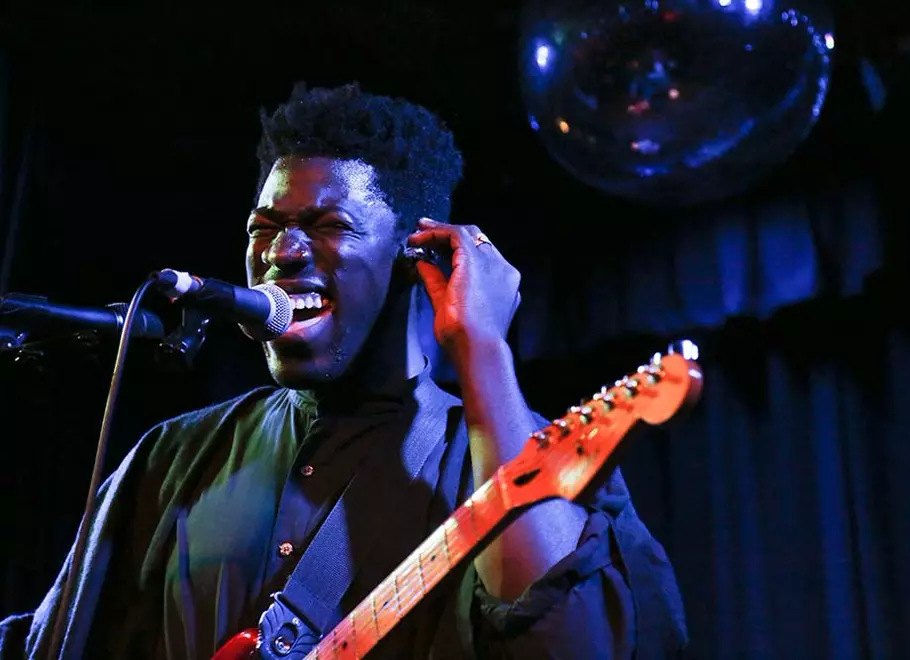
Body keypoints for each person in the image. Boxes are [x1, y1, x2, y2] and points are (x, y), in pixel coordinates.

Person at [0, 82, 688, 659]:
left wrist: (482, 348)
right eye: (262, 228)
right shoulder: (170, 457)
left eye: (330, 224)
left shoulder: (528, 455)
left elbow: (566, 643)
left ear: (421, 254)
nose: (282, 252)